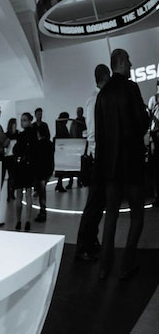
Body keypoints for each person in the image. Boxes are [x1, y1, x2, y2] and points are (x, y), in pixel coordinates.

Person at [96, 49, 150, 280]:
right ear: (120, 62)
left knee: (111, 216)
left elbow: (100, 136)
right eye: (128, 60)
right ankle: (126, 264)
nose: (131, 64)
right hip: (132, 164)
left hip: (111, 168)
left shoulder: (103, 94)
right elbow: (142, 123)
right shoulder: (131, 88)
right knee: (137, 214)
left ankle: (104, 267)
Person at [76, 64, 111, 261]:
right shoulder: (94, 100)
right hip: (98, 160)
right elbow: (92, 134)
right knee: (93, 204)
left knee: (98, 204)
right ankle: (83, 246)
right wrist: (99, 158)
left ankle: (91, 241)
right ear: (105, 76)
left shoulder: (99, 99)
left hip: (100, 159)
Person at [12, 112, 37, 231]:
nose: (22, 122)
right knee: (28, 194)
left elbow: (16, 150)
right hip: (28, 166)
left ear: (29, 121)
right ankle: (27, 221)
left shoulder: (21, 135)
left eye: (24, 120)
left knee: (19, 194)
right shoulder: (34, 135)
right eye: (22, 120)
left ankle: (18, 221)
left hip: (20, 166)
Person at [33, 122, 55, 222]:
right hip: (48, 170)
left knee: (41, 192)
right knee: (42, 191)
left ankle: (42, 212)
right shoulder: (50, 144)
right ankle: (43, 210)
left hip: (40, 171)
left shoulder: (37, 145)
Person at [54, 111, 74, 191]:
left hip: (60, 149)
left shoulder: (59, 126)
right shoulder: (62, 127)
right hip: (62, 150)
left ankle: (59, 184)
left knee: (61, 168)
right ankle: (60, 184)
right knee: (62, 168)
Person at [5, 118, 18, 200]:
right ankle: (10, 194)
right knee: (11, 176)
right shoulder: (8, 134)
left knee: (13, 176)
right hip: (9, 157)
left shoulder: (17, 133)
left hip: (13, 156)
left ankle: (11, 193)